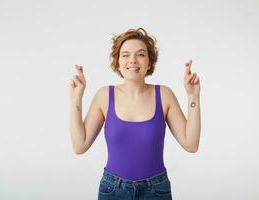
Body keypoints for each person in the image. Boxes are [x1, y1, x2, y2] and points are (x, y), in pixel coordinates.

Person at [69, 28, 201, 200]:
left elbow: (191, 144)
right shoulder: (104, 96)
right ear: (117, 62)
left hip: (156, 190)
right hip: (113, 190)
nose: (132, 60)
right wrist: (76, 98)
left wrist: (193, 96)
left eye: (140, 54)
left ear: (150, 62)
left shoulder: (164, 95)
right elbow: (80, 146)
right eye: (125, 55)